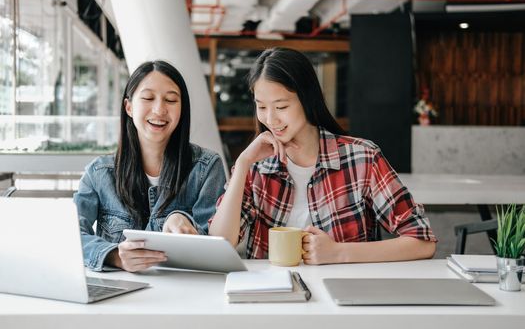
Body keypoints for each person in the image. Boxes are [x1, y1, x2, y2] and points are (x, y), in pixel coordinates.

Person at [209, 48, 436, 264]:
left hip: (343, 295)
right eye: (261, 107)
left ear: (307, 99)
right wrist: (242, 164)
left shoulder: (362, 158)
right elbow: (221, 242)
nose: (270, 119)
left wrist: (339, 253)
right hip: (272, 299)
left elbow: (422, 242)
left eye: (281, 107)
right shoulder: (256, 167)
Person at [74, 60, 226, 272]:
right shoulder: (99, 173)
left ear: (182, 109)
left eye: (171, 100)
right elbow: (70, 234)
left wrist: (181, 219)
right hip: (118, 297)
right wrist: (114, 256)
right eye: (147, 98)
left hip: (185, 295)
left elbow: (217, 244)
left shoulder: (207, 168)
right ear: (129, 106)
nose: (159, 109)